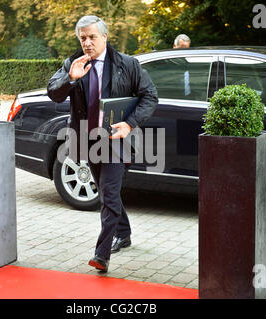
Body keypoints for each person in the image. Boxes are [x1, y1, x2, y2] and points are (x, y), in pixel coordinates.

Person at [47, 15, 158, 272]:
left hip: (117, 139)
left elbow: (150, 97)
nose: (87, 42)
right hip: (88, 138)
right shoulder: (73, 63)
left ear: (105, 37)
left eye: (92, 37)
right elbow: (53, 93)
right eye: (82, 38)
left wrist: (129, 124)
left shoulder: (127, 64)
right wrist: (70, 79)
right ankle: (125, 233)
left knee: (107, 193)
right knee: (108, 192)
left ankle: (102, 255)